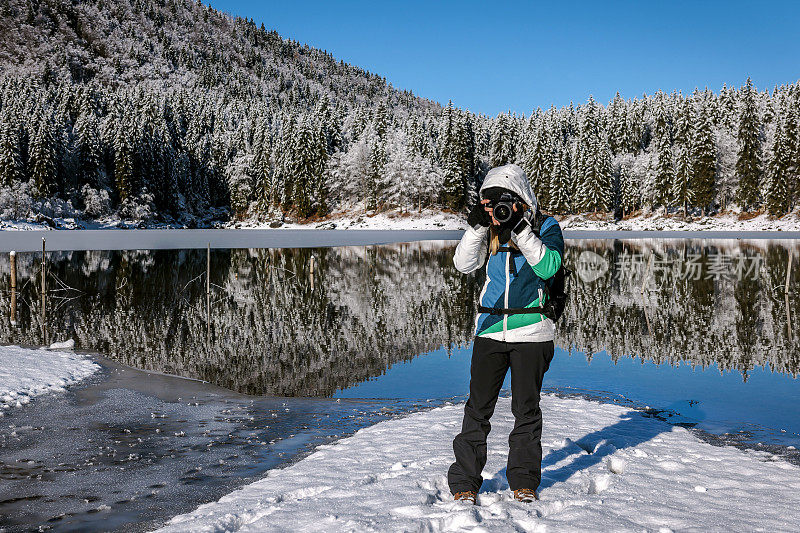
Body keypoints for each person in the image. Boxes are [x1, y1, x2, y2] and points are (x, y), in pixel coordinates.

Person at [448, 163, 564, 505]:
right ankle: (465, 482)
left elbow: (548, 266)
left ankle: (524, 481)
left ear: (522, 199)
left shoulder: (545, 225)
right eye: (492, 203)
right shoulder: (489, 229)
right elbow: (463, 265)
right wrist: (476, 227)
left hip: (532, 332)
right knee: (477, 410)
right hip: (489, 331)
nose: (499, 209)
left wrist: (519, 228)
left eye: (506, 202)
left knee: (526, 411)